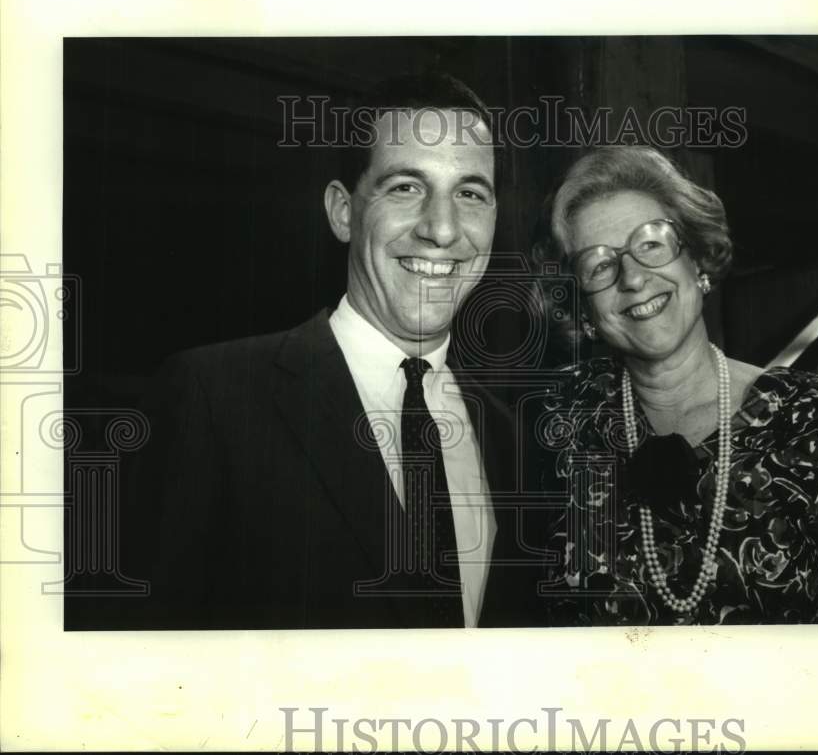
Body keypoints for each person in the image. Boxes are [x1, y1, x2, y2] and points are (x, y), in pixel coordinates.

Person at [121, 72, 541, 629]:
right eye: (405, 187)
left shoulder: (513, 439)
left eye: (469, 194)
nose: (442, 230)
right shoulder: (213, 397)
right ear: (344, 212)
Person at [534, 145, 818, 625]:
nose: (634, 278)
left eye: (651, 244)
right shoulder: (554, 425)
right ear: (585, 310)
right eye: (599, 265)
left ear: (697, 261)